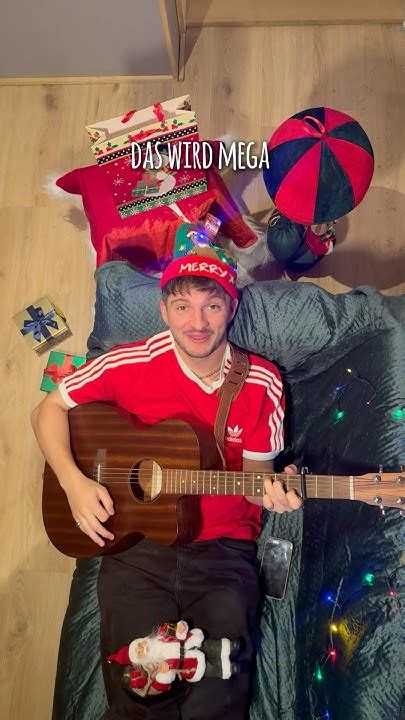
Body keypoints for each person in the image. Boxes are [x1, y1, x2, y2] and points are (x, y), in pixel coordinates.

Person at [31, 232, 302, 720]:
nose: (197, 323)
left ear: (231, 308)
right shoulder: (130, 363)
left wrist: (273, 494)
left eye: (212, 306)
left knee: (217, 698)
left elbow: (257, 479)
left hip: (224, 554)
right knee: (139, 692)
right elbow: (48, 409)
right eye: (182, 307)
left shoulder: (262, 382)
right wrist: (73, 482)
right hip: (137, 549)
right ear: (163, 311)